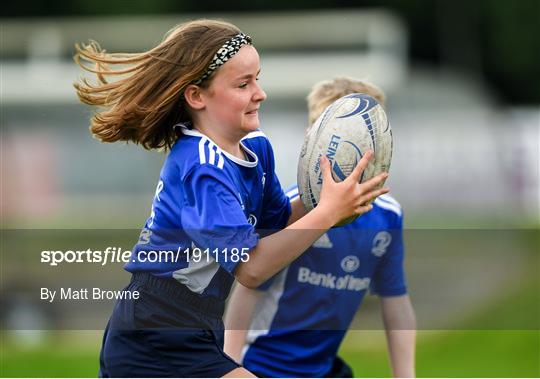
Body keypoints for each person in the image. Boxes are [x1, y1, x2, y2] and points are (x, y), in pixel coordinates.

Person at [74, 21, 390, 378]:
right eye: (243, 84)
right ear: (197, 97)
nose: (260, 93)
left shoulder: (256, 149)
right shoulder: (201, 167)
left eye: (257, 78)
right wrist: (329, 212)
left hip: (198, 322)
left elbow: (278, 224)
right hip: (155, 327)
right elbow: (252, 269)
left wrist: (330, 196)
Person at [224, 77, 416, 378]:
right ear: (311, 140)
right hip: (263, 367)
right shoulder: (286, 211)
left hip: (323, 369)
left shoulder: (388, 217)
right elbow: (247, 291)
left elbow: (396, 301)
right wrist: (230, 366)